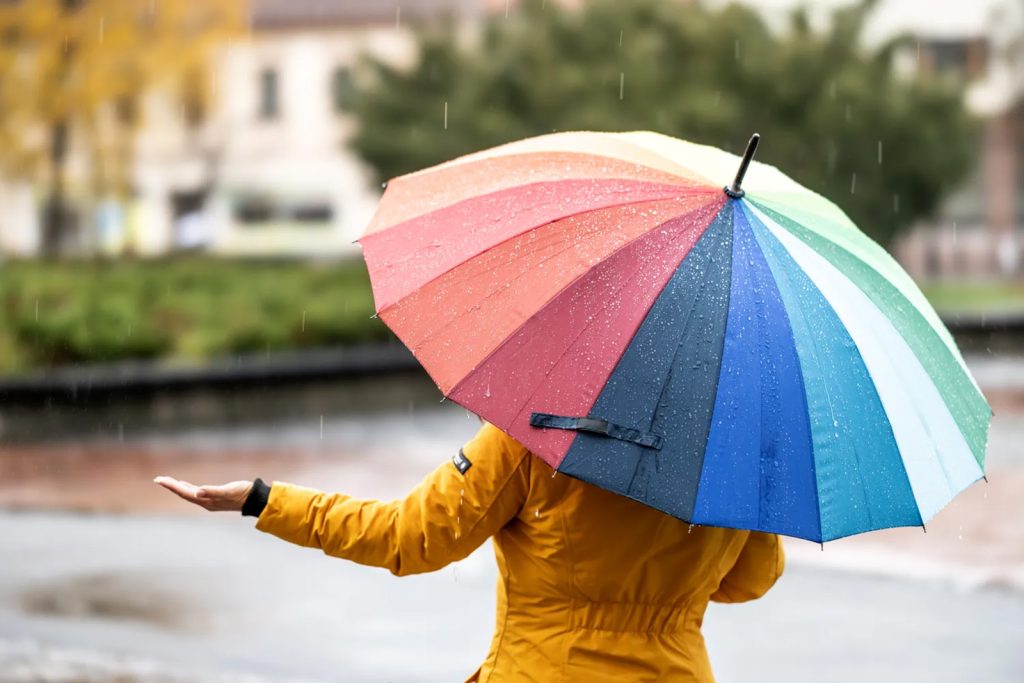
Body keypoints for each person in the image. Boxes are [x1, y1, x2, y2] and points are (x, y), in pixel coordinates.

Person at [155, 420, 784, 682]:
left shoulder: (536, 432)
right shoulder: (736, 445)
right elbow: (749, 579)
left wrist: (263, 500)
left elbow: (411, 538)